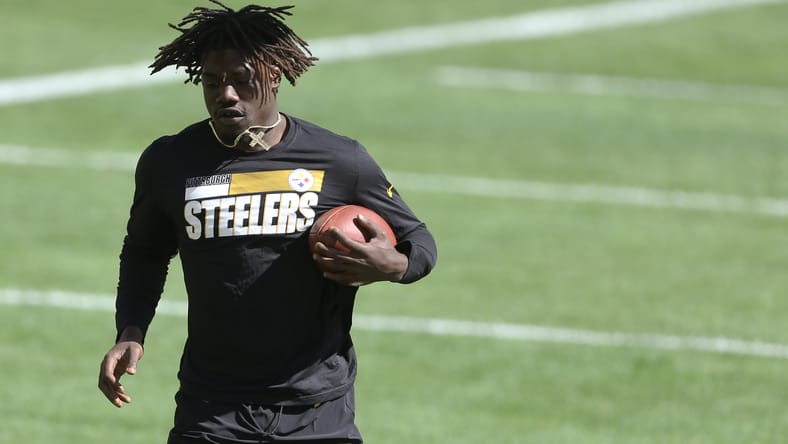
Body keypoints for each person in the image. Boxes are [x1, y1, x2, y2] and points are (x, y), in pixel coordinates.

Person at [96, 2, 437, 443]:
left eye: (242, 80)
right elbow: (145, 253)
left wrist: (393, 266)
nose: (227, 94)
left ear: (274, 76)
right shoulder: (169, 162)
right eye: (214, 82)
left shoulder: (339, 160)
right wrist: (131, 329)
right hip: (211, 407)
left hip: (316, 409)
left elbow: (419, 240)